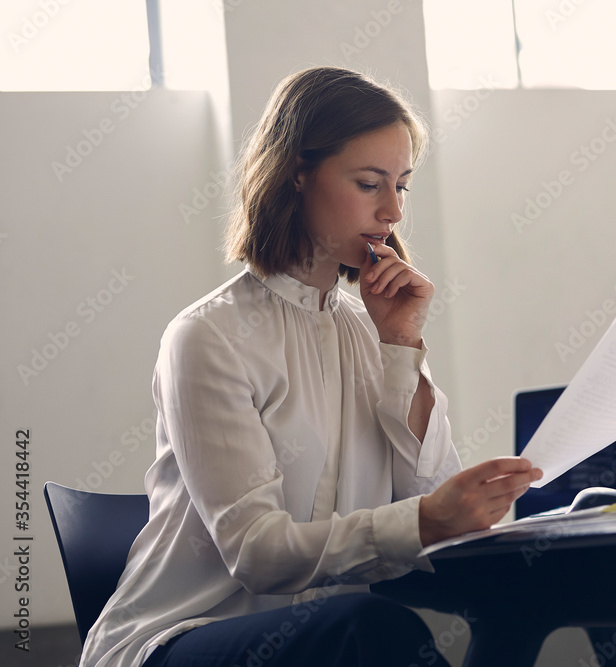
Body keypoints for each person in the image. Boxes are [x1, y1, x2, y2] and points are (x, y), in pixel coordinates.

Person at [80, 66, 542, 667]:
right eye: (370, 183)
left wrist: (401, 343)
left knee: (523, 600)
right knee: (368, 627)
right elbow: (258, 553)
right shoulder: (208, 335)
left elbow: (427, 501)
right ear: (297, 174)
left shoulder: (369, 328)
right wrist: (425, 519)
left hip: (322, 634)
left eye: (402, 186)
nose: (393, 213)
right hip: (184, 638)